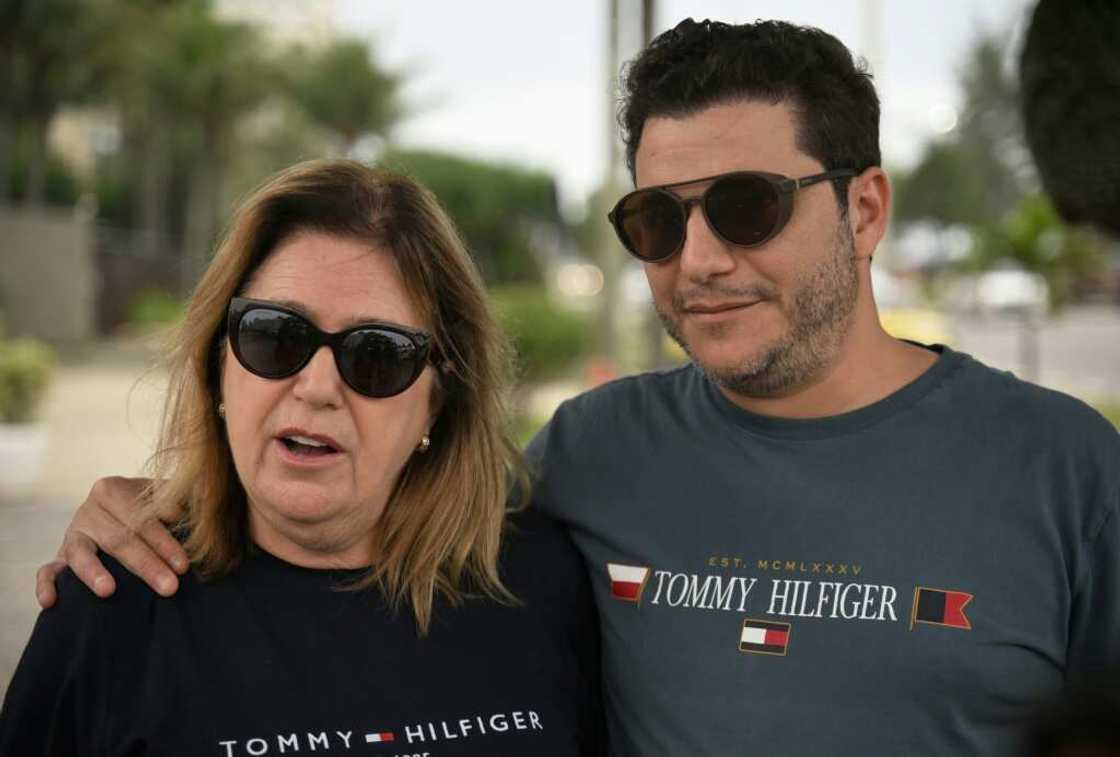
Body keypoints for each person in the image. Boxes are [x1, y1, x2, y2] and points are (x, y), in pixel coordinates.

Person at [29, 17, 1120, 757]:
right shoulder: (586, 454)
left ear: (866, 210)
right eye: (656, 219)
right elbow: (363, 501)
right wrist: (147, 506)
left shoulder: (1070, 473)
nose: (696, 258)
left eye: (746, 205)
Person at [0, 160, 604, 755]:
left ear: (437, 402)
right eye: (275, 334)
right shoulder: (111, 606)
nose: (316, 387)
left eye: (377, 354)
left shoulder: (541, 577)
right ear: (218, 369)